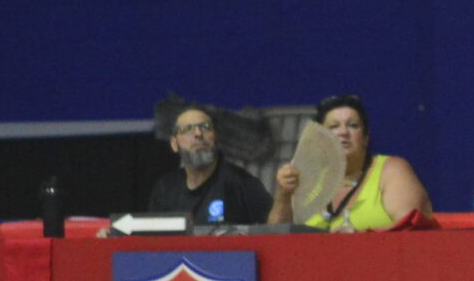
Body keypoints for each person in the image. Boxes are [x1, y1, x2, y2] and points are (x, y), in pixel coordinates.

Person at [274, 95, 433, 231]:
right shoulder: (306, 178)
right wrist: (284, 195)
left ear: (365, 138)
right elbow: (274, 238)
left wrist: (355, 241)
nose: (343, 132)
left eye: (352, 125)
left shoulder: (392, 171)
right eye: (334, 126)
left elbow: (411, 232)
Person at [146, 106, 275, 229]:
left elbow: (275, 228)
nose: (198, 134)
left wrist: (283, 197)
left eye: (205, 127)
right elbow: (153, 238)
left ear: (215, 137)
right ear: (174, 144)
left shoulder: (240, 183)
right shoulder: (165, 189)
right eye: (188, 129)